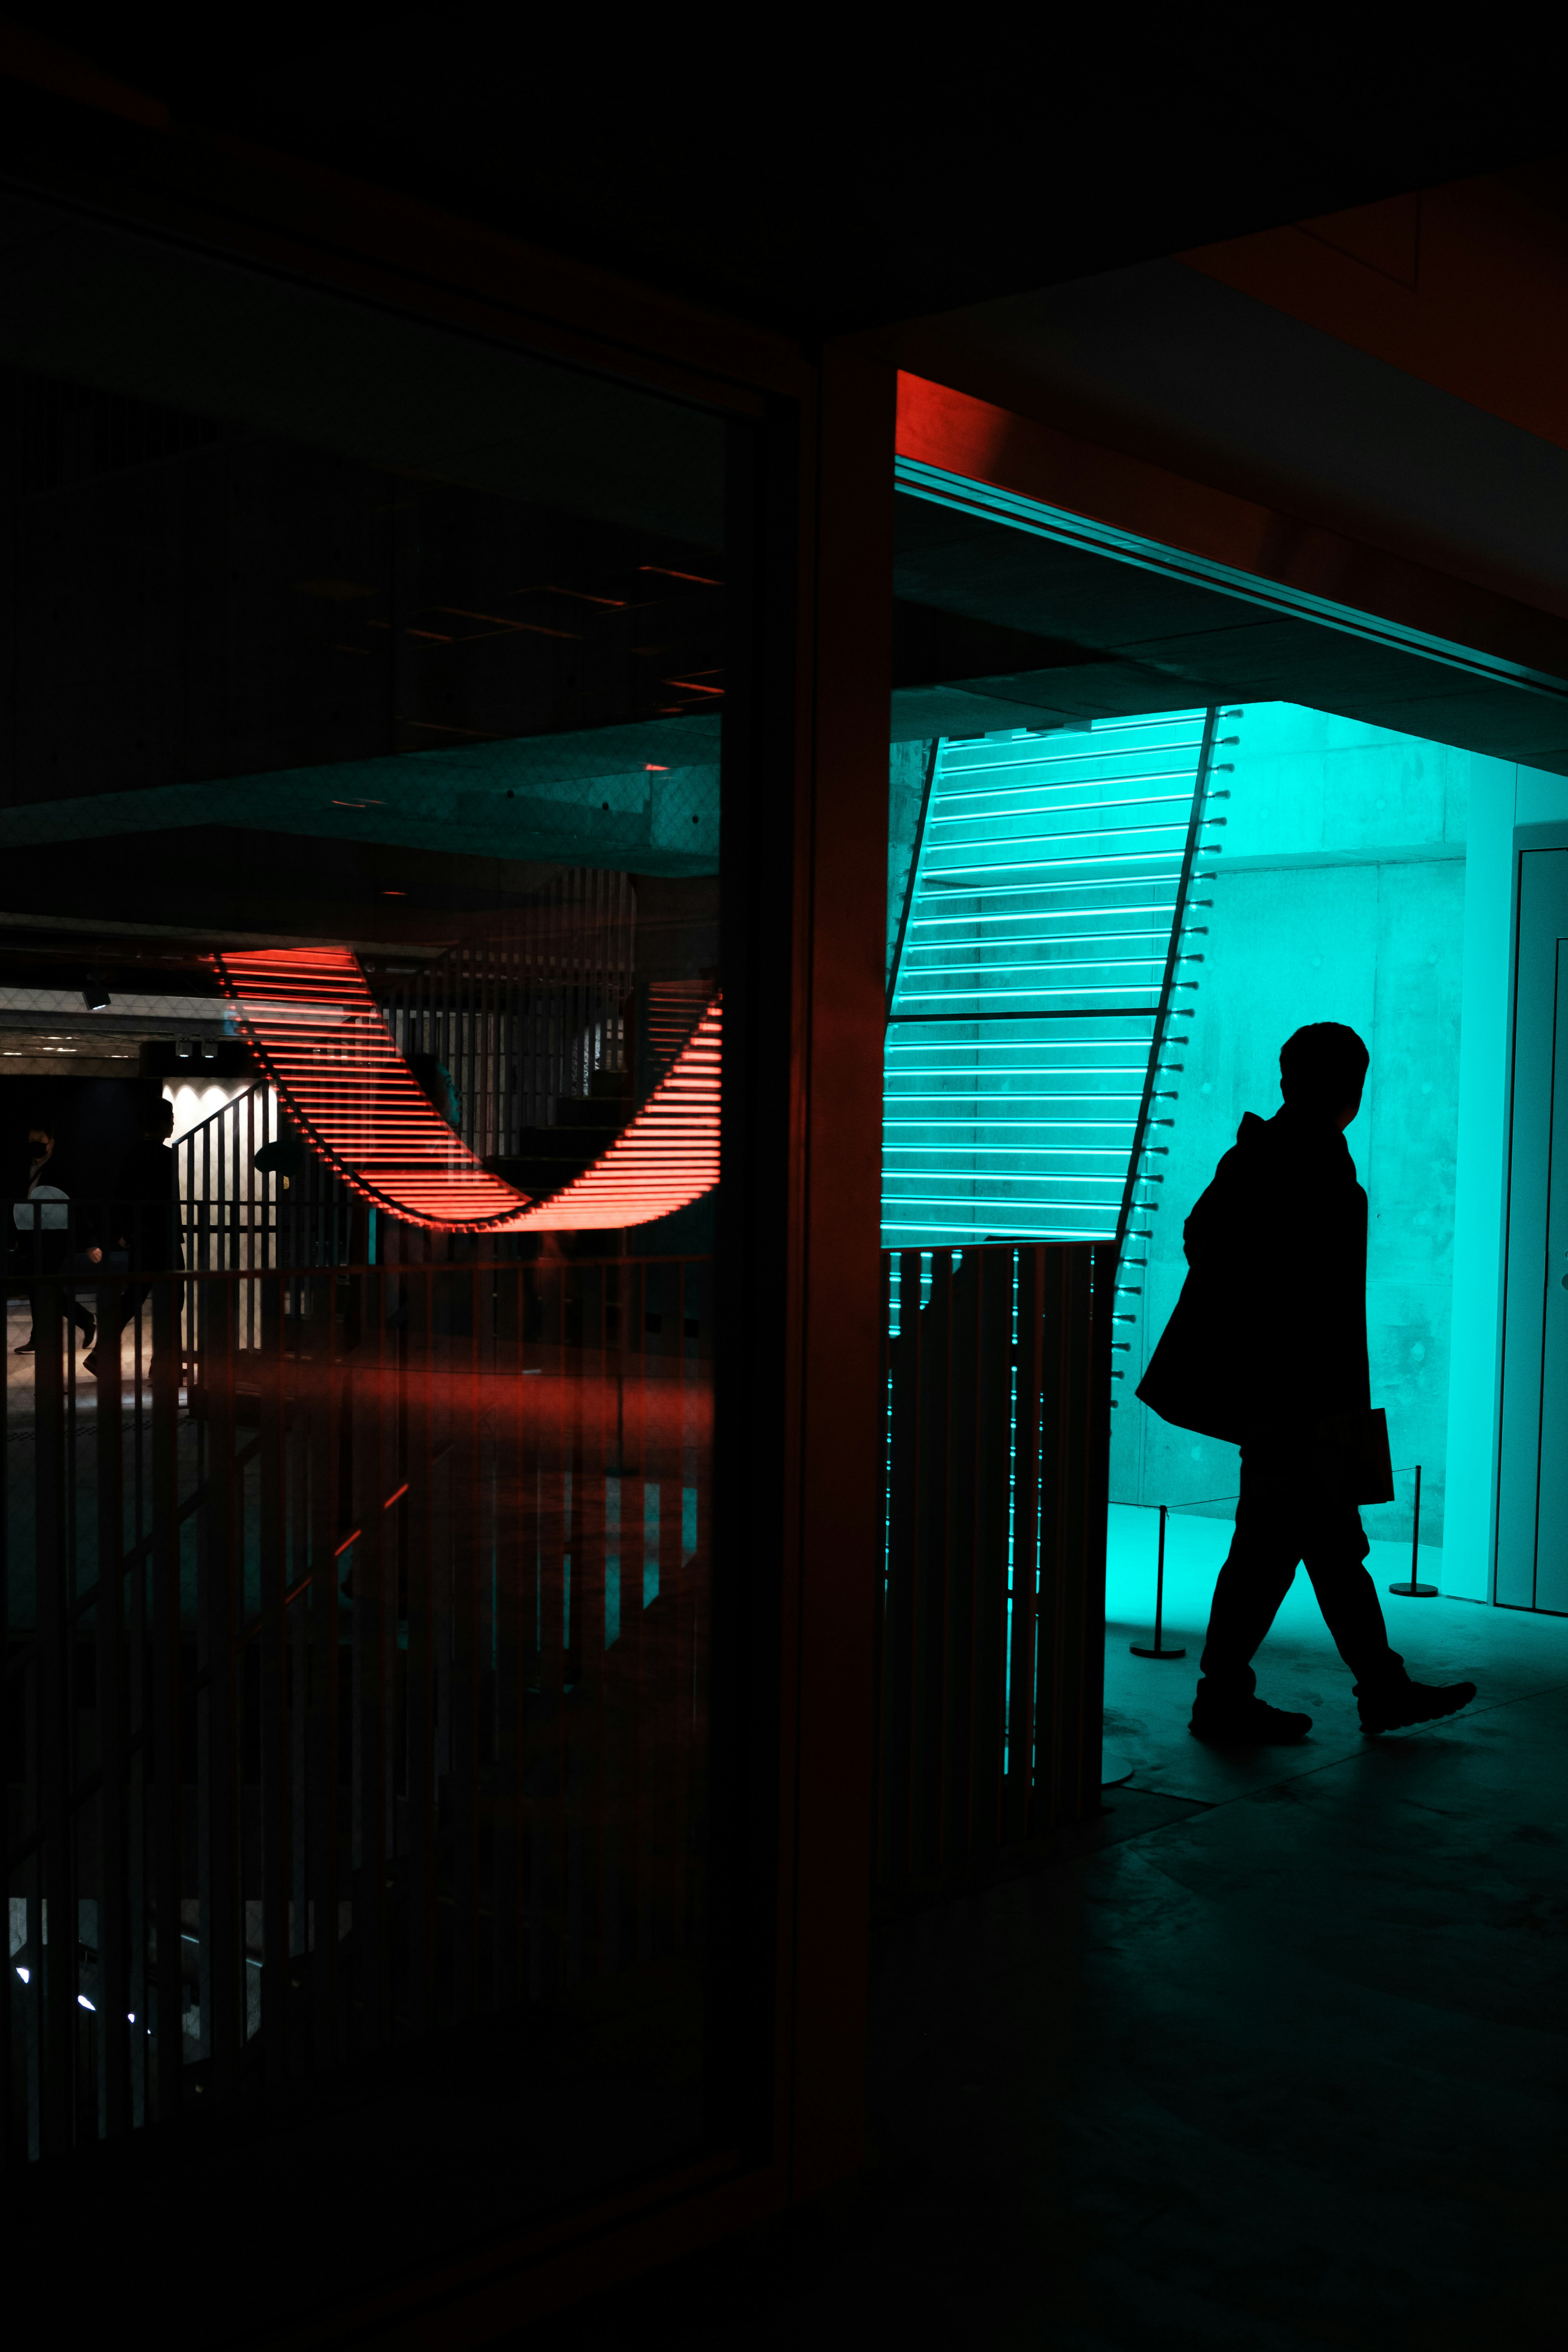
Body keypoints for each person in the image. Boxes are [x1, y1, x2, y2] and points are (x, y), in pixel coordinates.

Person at [1137, 1022, 1477, 1744]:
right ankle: (1245, 1697)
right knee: (1289, 1551)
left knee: (1314, 1548)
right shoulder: (1299, 1158)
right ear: (1344, 1086)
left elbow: (1205, 1241)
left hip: (1289, 1399)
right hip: (1297, 1403)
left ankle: (1359, 1688)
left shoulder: (1272, 1153)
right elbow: (1280, 1282)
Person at [83, 1096, 180, 1379]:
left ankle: (102, 1355)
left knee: (132, 1298)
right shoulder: (166, 1157)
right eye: (171, 1118)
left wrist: (126, 1235)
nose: (173, 1123)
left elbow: (120, 1200)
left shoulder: (132, 1155)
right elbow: (169, 1203)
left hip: (140, 1240)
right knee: (172, 1302)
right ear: (163, 1123)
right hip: (163, 1240)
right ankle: (163, 1366)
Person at [12, 1118, 97, 1353]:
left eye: (40, 1141)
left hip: (55, 1238)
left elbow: (77, 1204)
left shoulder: (62, 1170)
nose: (35, 1145)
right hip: (31, 1236)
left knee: (45, 1287)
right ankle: (81, 1321)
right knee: (37, 1287)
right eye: (32, 1141)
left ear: (51, 1143)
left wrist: (90, 1242)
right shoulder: (25, 1167)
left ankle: (76, 1323)